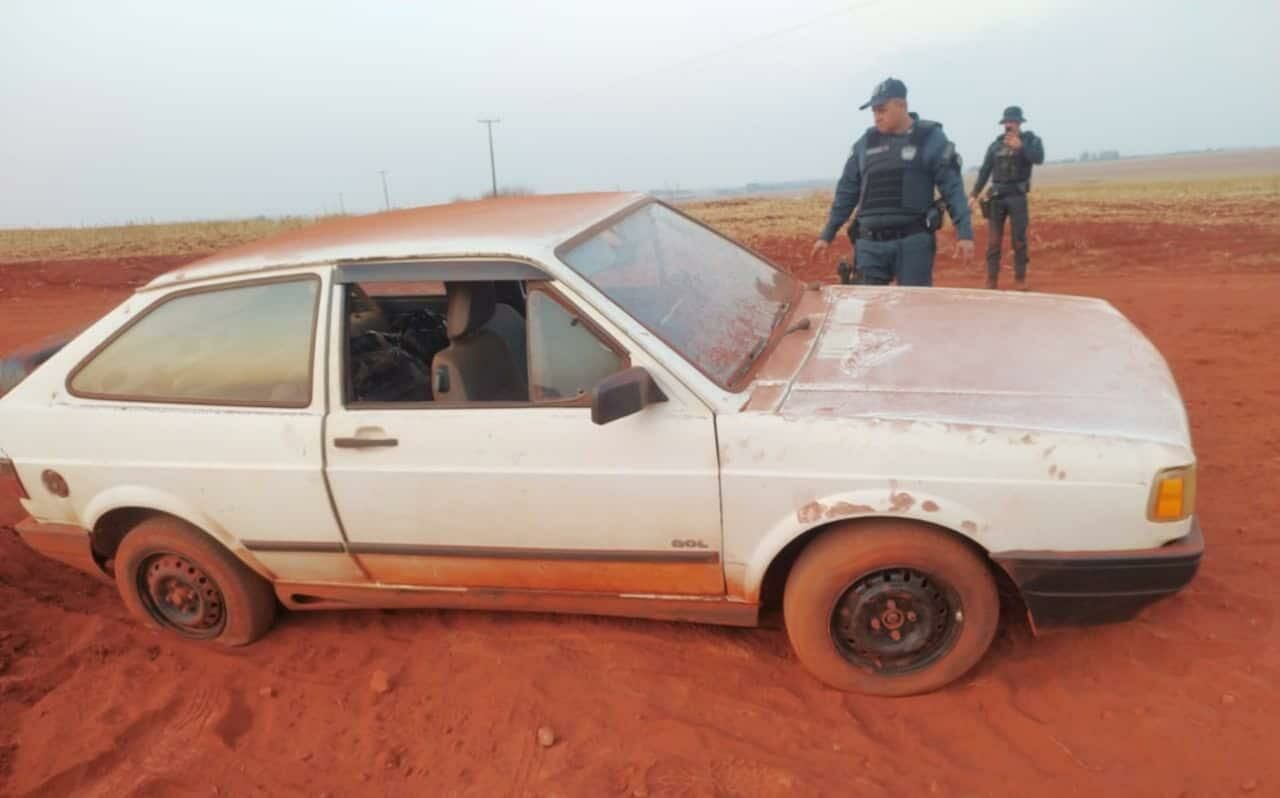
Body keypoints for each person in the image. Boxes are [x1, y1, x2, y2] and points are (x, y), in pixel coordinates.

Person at [810, 77, 974, 286]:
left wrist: (964, 234)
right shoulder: (865, 143)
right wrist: (827, 235)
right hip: (869, 245)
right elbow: (847, 192)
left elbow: (952, 189)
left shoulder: (930, 137)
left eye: (882, 110)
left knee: (913, 311)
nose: (876, 117)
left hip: (913, 243)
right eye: (874, 112)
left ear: (902, 105)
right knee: (870, 312)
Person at [970, 105, 1045, 290]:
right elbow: (985, 170)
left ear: (1020, 123)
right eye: (1007, 122)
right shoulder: (995, 145)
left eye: (1013, 121)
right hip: (997, 197)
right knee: (993, 241)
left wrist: (1021, 148)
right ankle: (991, 280)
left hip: (1017, 196)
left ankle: (1020, 280)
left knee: (1019, 240)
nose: (1009, 125)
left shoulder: (1031, 141)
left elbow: (1039, 158)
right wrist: (973, 194)